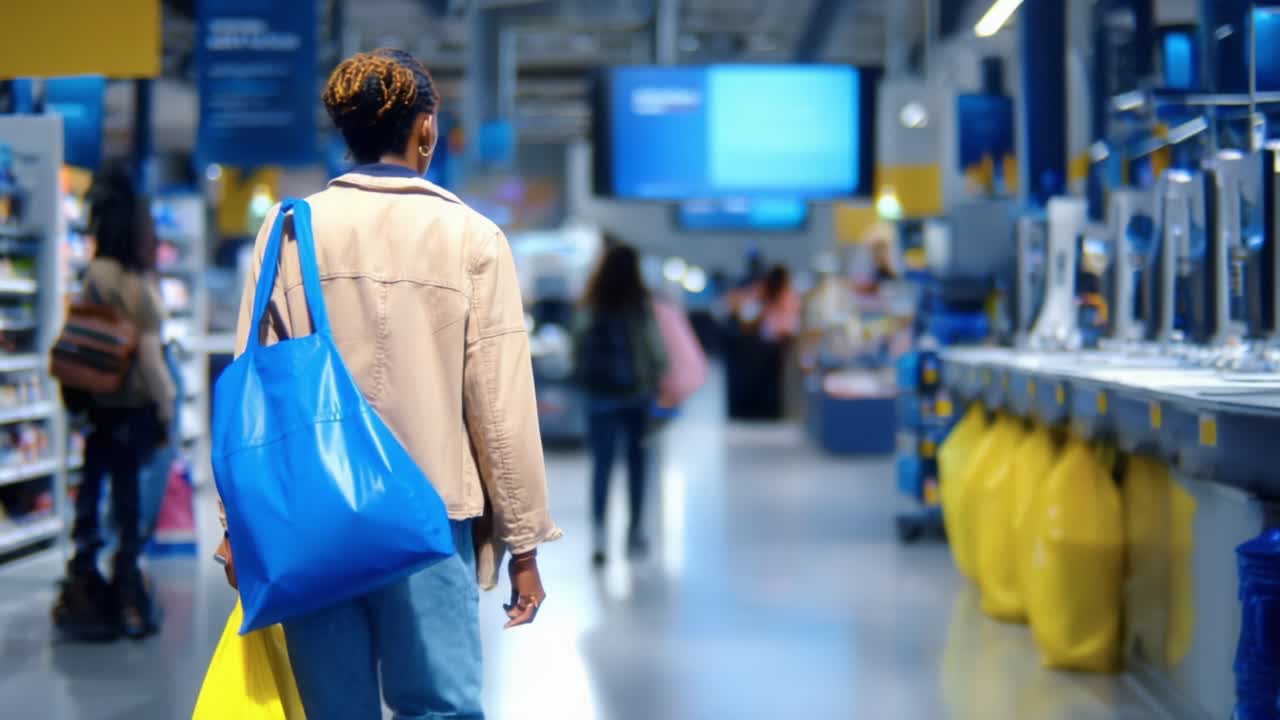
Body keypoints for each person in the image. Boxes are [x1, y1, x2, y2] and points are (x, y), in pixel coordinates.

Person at [224, 50, 559, 719]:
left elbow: (252, 389)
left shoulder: (291, 229)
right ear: (425, 130)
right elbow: (500, 409)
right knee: (439, 707)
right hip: (430, 517)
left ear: (345, 133)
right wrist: (523, 543)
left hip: (310, 520)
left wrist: (239, 525)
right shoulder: (472, 237)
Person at [53, 161, 175, 641]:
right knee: (127, 504)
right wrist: (167, 409)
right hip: (132, 409)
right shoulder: (134, 287)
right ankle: (128, 593)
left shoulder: (95, 274)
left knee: (92, 491)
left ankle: (84, 575)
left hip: (98, 407)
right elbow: (150, 363)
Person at [573, 242, 667, 567]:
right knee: (637, 465)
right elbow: (655, 349)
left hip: (599, 398)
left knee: (601, 467)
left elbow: (577, 345)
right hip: (636, 397)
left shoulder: (591, 301)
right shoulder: (640, 304)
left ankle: (599, 535)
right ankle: (634, 532)